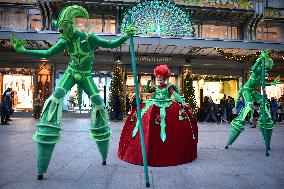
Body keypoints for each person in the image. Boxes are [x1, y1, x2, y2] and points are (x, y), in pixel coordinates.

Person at [11, 5, 135, 180]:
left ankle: (104, 154)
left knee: (99, 103)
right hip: (70, 73)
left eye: (63, 27)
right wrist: (24, 50)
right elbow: (47, 52)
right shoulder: (65, 41)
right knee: (56, 97)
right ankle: (44, 148)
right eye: (59, 28)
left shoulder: (89, 38)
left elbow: (110, 44)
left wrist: (126, 36)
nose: (61, 32)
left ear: (70, 24)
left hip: (85, 76)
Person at [118, 65, 198, 166]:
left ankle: (168, 148)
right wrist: (147, 83)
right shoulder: (155, 87)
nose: (159, 81)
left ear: (164, 79)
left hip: (167, 104)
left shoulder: (169, 87)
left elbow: (176, 95)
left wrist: (182, 101)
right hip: (154, 104)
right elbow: (147, 90)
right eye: (158, 80)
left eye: (161, 80)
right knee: (146, 121)